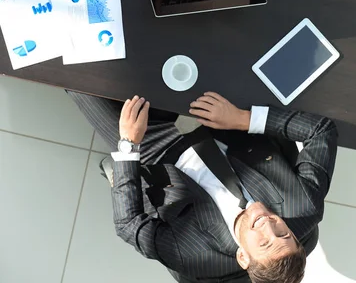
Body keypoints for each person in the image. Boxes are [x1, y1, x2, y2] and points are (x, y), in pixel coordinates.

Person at [68, 90, 338, 283]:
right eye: (284, 235)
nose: (269, 224)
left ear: (243, 258)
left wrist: (128, 145)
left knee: (83, 83)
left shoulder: (193, 258)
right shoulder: (305, 207)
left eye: (265, 243)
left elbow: (129, 226)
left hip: (156, 153)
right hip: (224, 122)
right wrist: (243, 119)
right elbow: (322, 131)